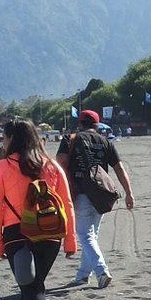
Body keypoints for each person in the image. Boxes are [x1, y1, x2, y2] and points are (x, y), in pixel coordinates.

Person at [0, 119, 78, 300]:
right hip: (50, 233)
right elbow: (67, 205)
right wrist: (70, 241)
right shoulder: (52, 166)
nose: (3, 142)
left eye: (5, 138)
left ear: (12, 139)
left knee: (32, 287)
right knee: (32, 285)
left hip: (17, 235)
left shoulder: (3, 168)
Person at [56, 109, 135, 288]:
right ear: (97, 125)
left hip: (80, 193)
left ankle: (101, 271)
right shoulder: (105, 141)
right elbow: (119, 168)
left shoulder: (71, 139)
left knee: (85, 235)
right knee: (92, 235)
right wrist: (129, 193)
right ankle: (83, 275)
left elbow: (59, 162)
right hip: (100, 193)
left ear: (81, 123)